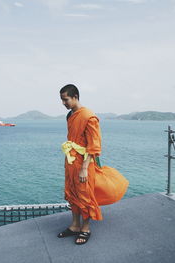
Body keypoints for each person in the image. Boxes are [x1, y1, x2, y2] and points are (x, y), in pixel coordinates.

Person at [57, 84, 129, 245]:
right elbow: (72, 139)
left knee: (85, 196)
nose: (63, 103)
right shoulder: (70, 115)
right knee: (71, 193)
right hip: (71, 161)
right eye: (62, 100)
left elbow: (94, 145)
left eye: (65, 99)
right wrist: (67, 162)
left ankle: (85, 228)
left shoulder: (89, 117)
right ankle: (75, 226)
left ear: (75, 97)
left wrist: (84, 169)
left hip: (83, 163)